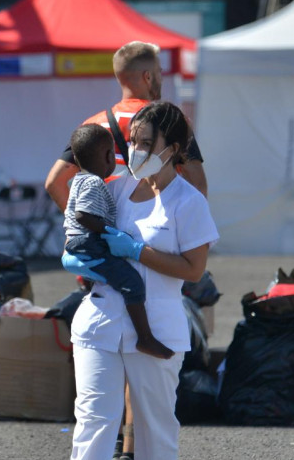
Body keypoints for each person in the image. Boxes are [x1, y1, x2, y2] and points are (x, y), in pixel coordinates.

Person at [43, 40, 209, 459]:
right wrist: (82, 244)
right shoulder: (113, 189)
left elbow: (193, 270)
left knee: (156, 429)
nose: (133, 152)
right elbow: (72, 199)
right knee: (94, 421)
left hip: (157, 319)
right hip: (99, 319)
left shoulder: (187, 201)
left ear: (172, 150)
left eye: (143, 144)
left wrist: (134, 251)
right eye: (131, 143)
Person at [44, 40, 207, 209]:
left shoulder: (93, 124)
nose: (161, 78)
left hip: (110, 227)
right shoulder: (170, 120)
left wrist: (87, 226)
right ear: (148, 76)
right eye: (159, 72)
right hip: (159, 227)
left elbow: (54, 182)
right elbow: (197, 183)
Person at [63, 124, 172, 360]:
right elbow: (83, 215)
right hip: (88, 241)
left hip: (79, 242)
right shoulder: (94, 182)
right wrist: (107, 231)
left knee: (114, 275)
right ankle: (145, 338)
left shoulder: (78, 180)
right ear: (108, 156)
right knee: (131, 282)